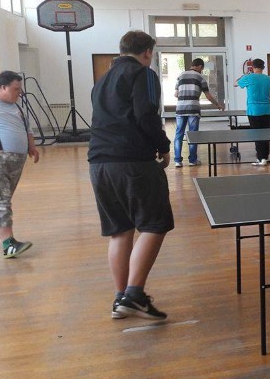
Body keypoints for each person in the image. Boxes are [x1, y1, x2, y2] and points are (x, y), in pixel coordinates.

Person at [88, 30, 172, 320]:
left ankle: (120, 297)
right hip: (132, 162)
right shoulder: (143, 74)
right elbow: (146, 114)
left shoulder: (102, 80)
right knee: (155, 224)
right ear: (148, 52)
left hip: (99, 164)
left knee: (120, 230)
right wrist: (164, 146)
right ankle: (134, 294)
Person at [0, 71, 39, 258]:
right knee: (2, 202)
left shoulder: (17, 107)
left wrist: (32, 147)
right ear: (2, 87)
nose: (20, 92)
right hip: (1, 160)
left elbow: (27, 128)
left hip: (16, 162)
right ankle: (8, 245)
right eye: (16, 89)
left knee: (4, 200)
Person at [173, 58, 224, 168]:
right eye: (202, 68)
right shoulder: (200, 77)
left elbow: (176, 94)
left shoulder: (181, 75)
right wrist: (218, 105)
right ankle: (192, 160)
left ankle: (177, 161)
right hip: (193, 109)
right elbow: (208, 96)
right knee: (193, 135)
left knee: (179, 134)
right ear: (200, 66)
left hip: (180, 109)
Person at [234, 58, 270, 166]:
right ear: (263, 67)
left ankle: (260, 158)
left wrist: (243, 76)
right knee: (266, 133)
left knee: (257, 135)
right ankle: (265, 157)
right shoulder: (269, 79)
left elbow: (235, 84)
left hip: (253, 111)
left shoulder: (248, 77)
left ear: (252, 67)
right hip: (266, 110)